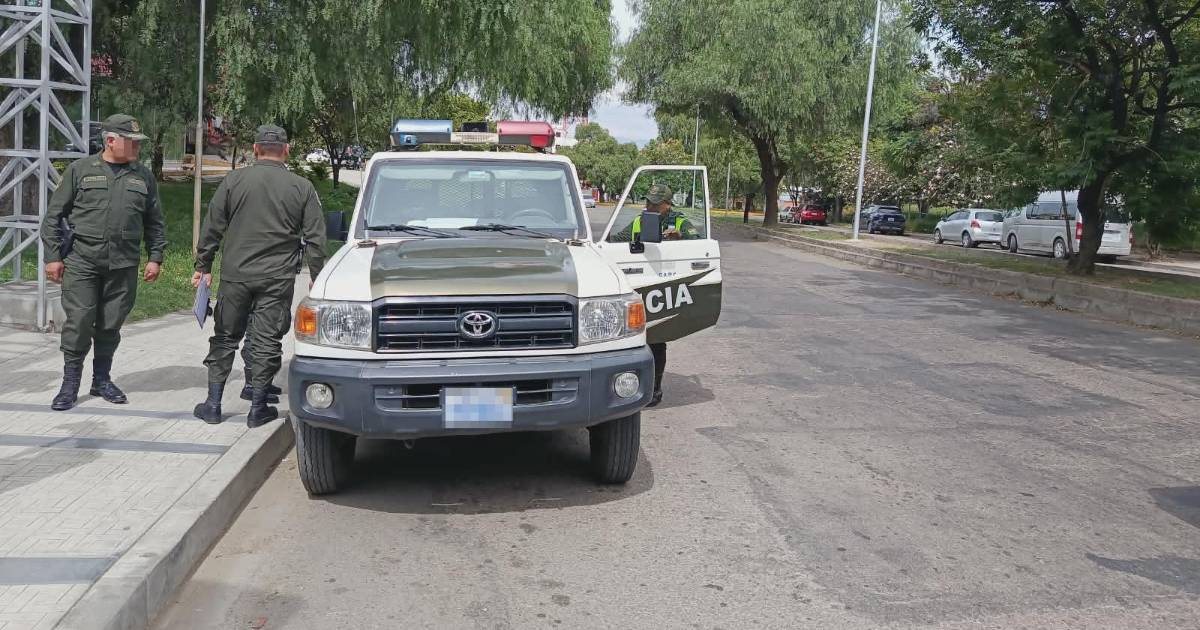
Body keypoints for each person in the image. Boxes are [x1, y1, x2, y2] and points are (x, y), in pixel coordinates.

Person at [191, 125, 327, 427]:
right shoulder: (302, 187)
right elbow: (316, 237)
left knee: (225, 337)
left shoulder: (233, 181)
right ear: (286, 150)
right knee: (266, 340)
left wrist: (203, 267)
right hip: (276, 279)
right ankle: (257, 408)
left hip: (235, 276)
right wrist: (317, 275)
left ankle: (213, 405)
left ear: (255, 149)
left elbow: (212, 227)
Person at [40, 114, 167, 411]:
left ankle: (101, 380)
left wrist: (156, 257)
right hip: (83, 261)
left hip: (123, 265)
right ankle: (70, 384)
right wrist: (53, 257)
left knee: (111, 324)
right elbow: (53, 217)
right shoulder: (80, 170)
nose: (137, 147)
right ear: (111, 140)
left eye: (138, 142)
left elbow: (155, 222)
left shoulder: (143, 177)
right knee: (80, 321)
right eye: (131, 141)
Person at [613, 183, 699, 407]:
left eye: (656, 204)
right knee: (634, 338)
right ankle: (630, 387)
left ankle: (654, 391)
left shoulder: (680, 222)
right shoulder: (640, 221)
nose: (650, 206)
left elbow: (699, 244)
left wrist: (680, 238)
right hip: (639, 283)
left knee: (657, 338)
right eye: (648, 202)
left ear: (668, 204)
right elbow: (615, 240)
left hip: (664, 284)